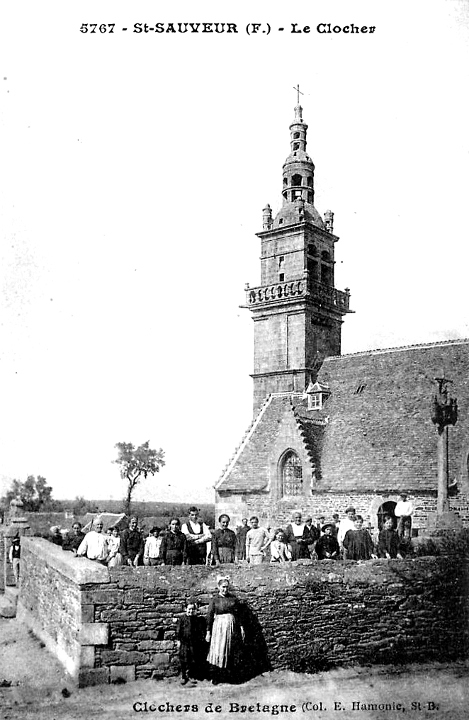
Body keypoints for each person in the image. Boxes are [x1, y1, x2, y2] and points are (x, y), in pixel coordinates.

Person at [206, 576, 246, 684]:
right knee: (218, 650)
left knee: (230, 650)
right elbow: (209, 615)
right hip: (219, 628)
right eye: (223, 587)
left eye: (227, 587)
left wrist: (241, 627)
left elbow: (238, 614)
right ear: (219, 587)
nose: (225, 589)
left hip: (232, 628)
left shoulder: (233, 599)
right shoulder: (214, 600)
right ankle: (216, 676)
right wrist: (208, 631)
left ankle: (229, 676)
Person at [178, 600, 207, 685]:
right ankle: (183, 676)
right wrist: (179, 640)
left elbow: (199, 631)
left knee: (192, 659)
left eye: (192, 609)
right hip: (184, 642)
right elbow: (178, 631)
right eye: (189, 609)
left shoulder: (196, 619)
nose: (191, 611)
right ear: (185, 609)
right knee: (184, 659)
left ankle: (190, 675)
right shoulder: (182, 619)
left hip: (193, 643)